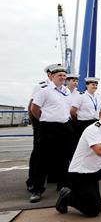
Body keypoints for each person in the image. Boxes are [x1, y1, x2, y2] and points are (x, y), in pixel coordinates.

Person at [55, 103, 101, 217]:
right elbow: (100, 150)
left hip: (95, 170)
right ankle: (68, 196)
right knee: (93, 210)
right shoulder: (93, 129)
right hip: (80, 174)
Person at [29, 65, 74, 203]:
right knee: (43, 159)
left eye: (64, 75)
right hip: (48, 127)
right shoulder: (45, 91)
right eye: (59, 75)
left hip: (64, 127)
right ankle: (37, 190)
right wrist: (44, 119)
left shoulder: (67, 91)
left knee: (64, 158)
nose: (62, 77)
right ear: (52, 76)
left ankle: (63, 186)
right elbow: (34, 108)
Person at [26, 63, 60, 192]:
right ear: (49, 74)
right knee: (38, 154)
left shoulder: (61, 88)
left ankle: (52, 176)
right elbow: (32, 107)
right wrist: (37, 123)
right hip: (42, 124)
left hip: (56, 125)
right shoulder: (41, 86)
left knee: (54, 152)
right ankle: (32, 181)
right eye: (56, 73)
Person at [71, 77, 101, 146]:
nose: (95, 86)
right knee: (83, 144)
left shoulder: (98, 96)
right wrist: (77, 120)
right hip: (83, 123)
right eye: (93, 84)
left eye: (96, 85)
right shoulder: (81, 96)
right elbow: (73, 111)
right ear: (87, 85)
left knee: (94, 143)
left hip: (95, 122)